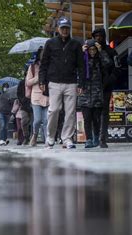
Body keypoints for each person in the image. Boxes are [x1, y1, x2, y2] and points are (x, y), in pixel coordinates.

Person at [39, 17, 85, 149]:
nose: (65, 30)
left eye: (67, 28)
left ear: (70, 29)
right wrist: (42, 80)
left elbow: (81, 66)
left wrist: (81, 83)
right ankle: (50, 137)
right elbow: (44, 64)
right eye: (62, 28)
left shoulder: (76, 44)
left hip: (71, 83)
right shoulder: (50, 43)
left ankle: (67, 138)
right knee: (54, 110)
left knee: (70, 112)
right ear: (58, 29)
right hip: (54, 82)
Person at [79, 39, 113, 148]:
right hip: (85, 93)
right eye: (90, 50)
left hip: (97, 93)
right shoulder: (83, 59)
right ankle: (88, 139)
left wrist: (101, 51)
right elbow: (75, 65)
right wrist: (81, 52)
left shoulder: (100, 60)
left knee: (96, 118)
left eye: (94, 50)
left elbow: (108, 63)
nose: (92, 52)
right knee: (87, 118)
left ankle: (96, 136)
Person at [91, 28, 121, 148]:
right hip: (93, 87)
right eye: (96, 36)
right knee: (94, 112)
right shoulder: (91, 51)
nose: (98, 38)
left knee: (104, 113)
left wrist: (109, 80)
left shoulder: (111, 51)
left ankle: (102, 138)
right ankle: (95, 137)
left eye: (100, 36)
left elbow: (117, 68)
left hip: (106, 86)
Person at [26, 49, 49, 146]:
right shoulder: (32, 67)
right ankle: (35, 135)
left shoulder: (50, 66)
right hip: (36, 96)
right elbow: (28, 82)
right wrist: (38, 77)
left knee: (47, 120)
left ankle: (48, 140)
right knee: (38, 120)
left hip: (48, 95)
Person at [16, 78, 32, 145]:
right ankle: (26, 137)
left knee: (35, 122)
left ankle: (33, 137)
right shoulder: (22, 82)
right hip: (24, 105)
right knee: (24, 122)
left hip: (34, 103)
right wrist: (22, 101)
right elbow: (18, 93)